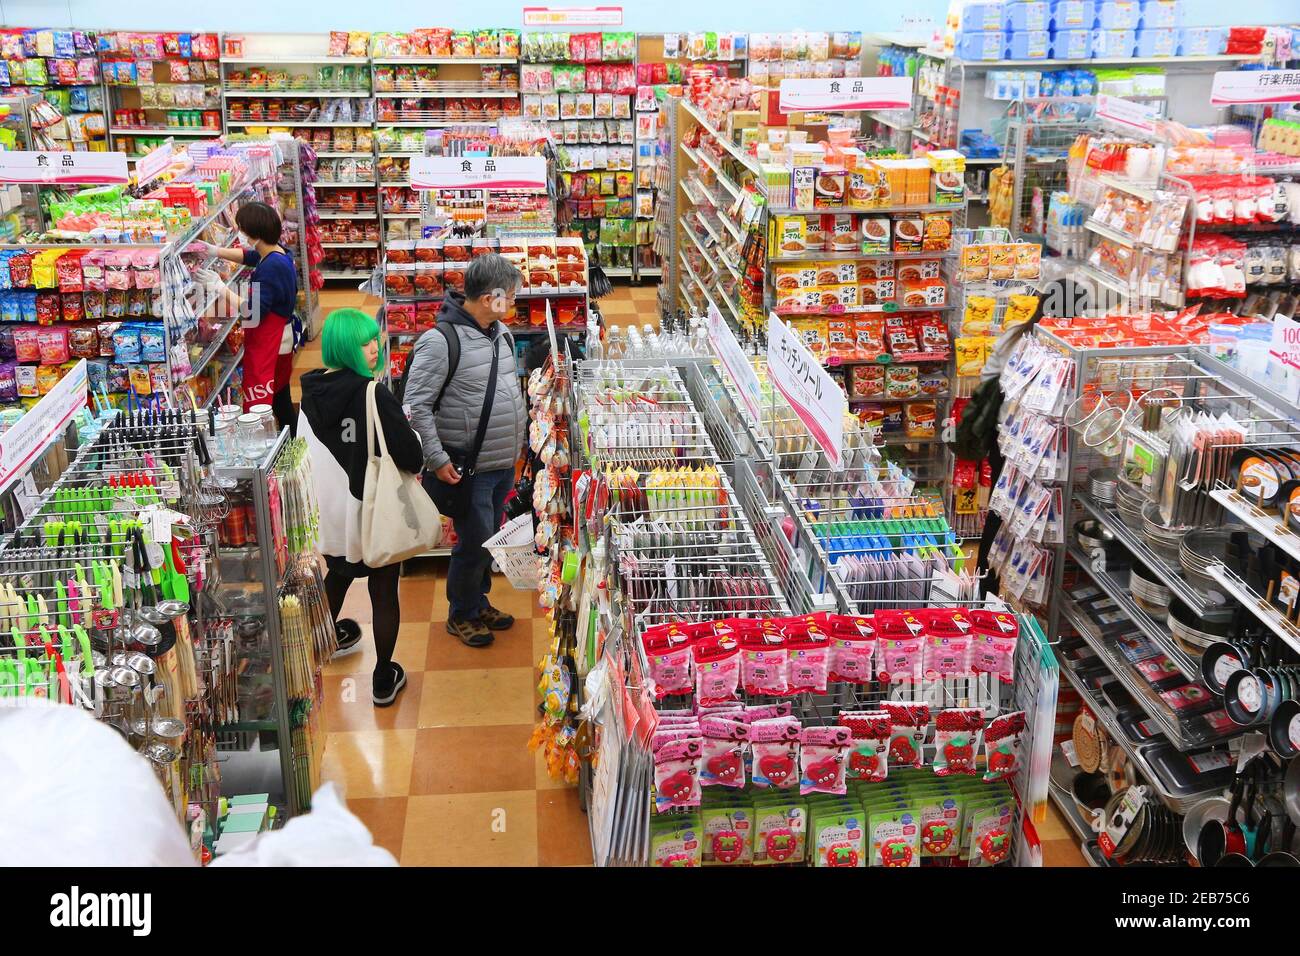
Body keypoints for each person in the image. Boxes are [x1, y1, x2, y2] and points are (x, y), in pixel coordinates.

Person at [298, 308, 424, 706]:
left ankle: (313, 653)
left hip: (331, 515)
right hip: (370, 512)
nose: (375, 347)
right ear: (347, 347)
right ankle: (383, 678)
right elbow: (409, 455)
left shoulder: (308, 395)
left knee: (336, 577)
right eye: (365, 341)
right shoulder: (373, 394)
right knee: (383, 589)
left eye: (375, 339)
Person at [404, 254, 527, 648]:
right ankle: (462, 613)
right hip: (466, 466)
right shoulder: (441, 341)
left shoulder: (500, 334)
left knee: (487, 538)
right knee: (472, 542)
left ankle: (479, 599)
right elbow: (416, 405)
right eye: (508, 295)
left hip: (501, 461)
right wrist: (437, 459)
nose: (512, 301)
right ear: (490, 297)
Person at [958, 278, 1092, 595]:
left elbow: (988, 378)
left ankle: (984, 587)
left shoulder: (1016, 334)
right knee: (1022, 509)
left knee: (999, 508)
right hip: (1026, 443)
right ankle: (1016, 583)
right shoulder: (1060, 352)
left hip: (1000, 436)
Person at [197, 201, 299, 434]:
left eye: (242, 230)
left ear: (256, 235)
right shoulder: (278, 253)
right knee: (281, 394)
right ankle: (292, 437)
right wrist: (215, 251)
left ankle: (272, 445)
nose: (240, 235)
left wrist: (219, 287)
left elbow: (253, 310)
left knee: (264, 401)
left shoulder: (271, 268)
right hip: (281, 339)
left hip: (269, 346)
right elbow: (251, 256)